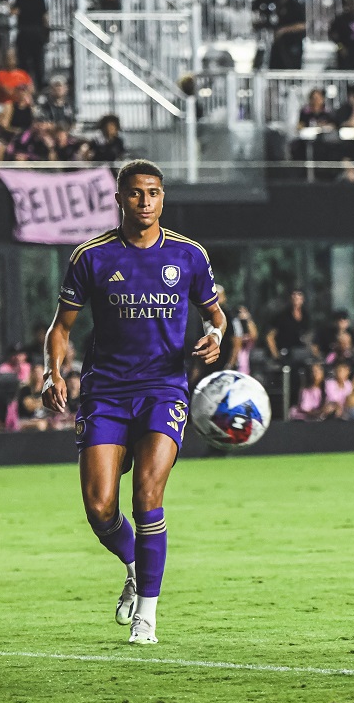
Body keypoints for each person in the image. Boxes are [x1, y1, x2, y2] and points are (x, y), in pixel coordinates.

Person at [41, 160, 227, 645]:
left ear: (163, 198)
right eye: (136, 194)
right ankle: (133, 564)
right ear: (120, 198)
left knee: (148, 495)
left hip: (165, 389)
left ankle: (147, 613)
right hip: (105, 392)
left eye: (154, 193)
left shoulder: (188, 255)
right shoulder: (92, 256)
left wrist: (214, 335)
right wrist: (52, 371)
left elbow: (215, 315)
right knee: (100, 508)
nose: (145, 202)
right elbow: (61, 328)